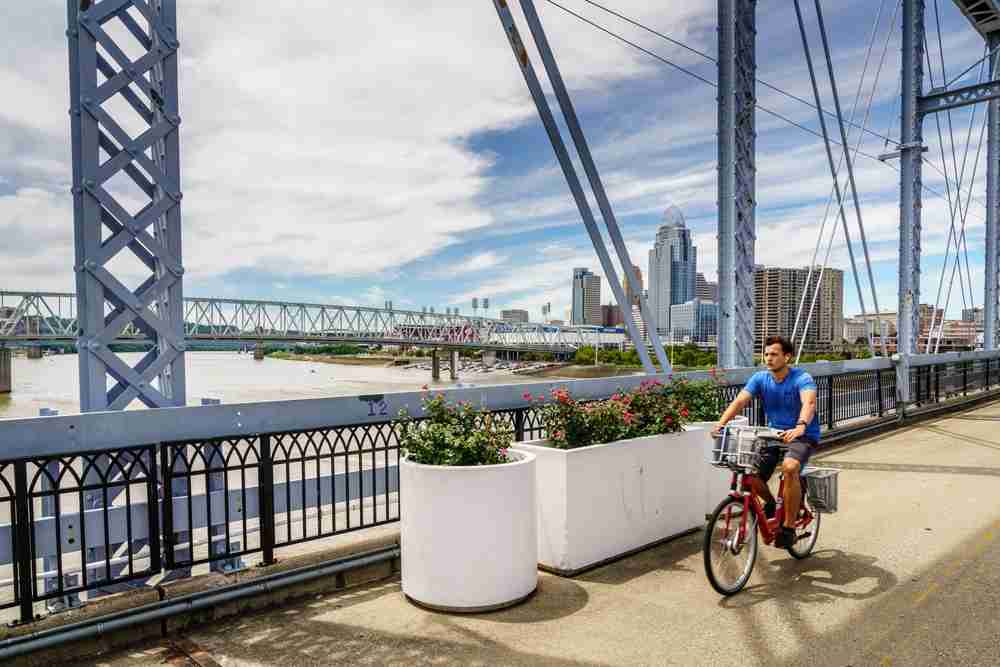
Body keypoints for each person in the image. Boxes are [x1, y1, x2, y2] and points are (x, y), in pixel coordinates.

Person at [713, 335, 819, 548]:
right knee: (751, 476)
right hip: (772, 434)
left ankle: (788, 527)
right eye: (767, 354)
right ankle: (771, 503)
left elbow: (809, 401)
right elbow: (741, 400)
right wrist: (721, 424)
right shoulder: (760, 378)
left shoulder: (802, 377)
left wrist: (800, 426)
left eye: (774, 354)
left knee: (790, 468)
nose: (768, 358)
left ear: (787, 357)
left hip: (802, 434)